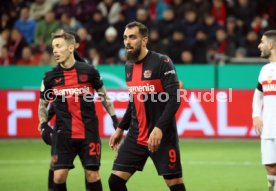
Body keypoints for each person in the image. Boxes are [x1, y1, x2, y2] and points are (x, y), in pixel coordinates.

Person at [108, 21, 186, 191]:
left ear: (144, 40)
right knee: (115, 181)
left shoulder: (162, 62)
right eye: (125, 38)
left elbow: (175, 99)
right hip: (136, 136)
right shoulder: (128, 67)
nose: (127, 42)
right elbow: (133, 101)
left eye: (132, 37)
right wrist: (121, 129)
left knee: (175, 184)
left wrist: (159, 128)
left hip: (162, 137)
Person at [38, 29, 118, 191]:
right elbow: (42, 105)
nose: (55, 50)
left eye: (59, 46)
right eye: (53, 47)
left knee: (93, 175)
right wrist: (44, 124)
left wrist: (115, 120)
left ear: (71, 48)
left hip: (89, 132)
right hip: (63, 133)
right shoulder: (50, 77)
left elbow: (104, 97)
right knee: (58, 175)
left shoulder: (89, 71)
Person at [252, 30, 276, 191]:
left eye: (262, 41)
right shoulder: (265, 70)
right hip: (268, 127)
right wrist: (255, 115)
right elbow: (258, 95)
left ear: (271, 44)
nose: (259, 45)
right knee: (270, 168)